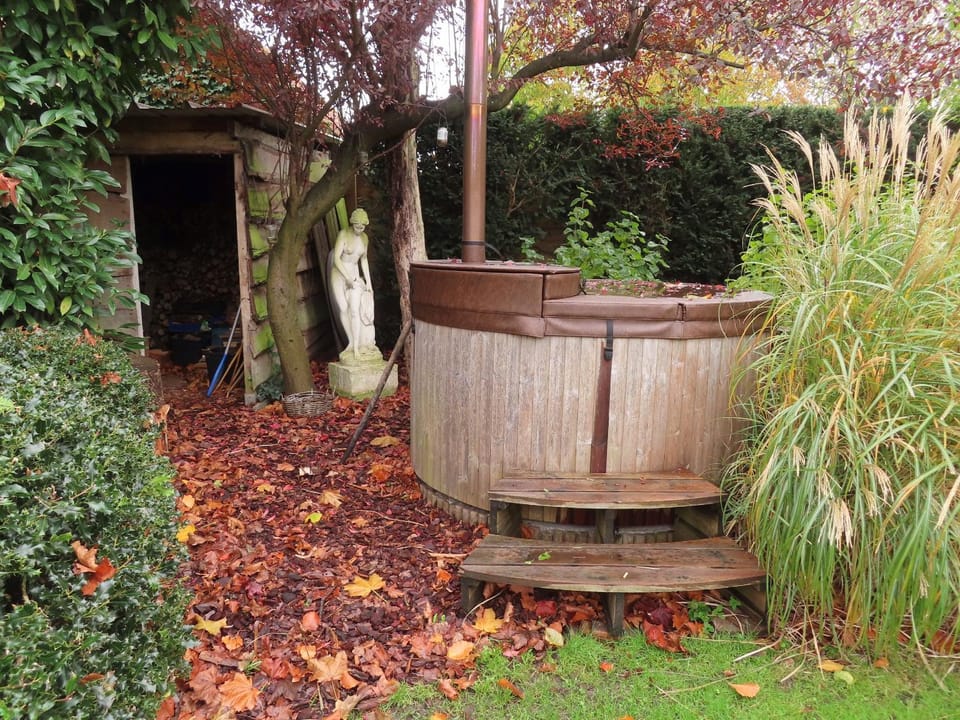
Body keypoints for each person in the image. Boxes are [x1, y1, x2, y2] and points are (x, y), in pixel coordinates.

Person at [329, 208, 380, 363]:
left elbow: (363, 260)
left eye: (362, 227)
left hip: (354, 274)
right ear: (352, 224)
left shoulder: (364, 238)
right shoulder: (343, 234)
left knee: (355, 310)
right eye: (357, 227)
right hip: (339, 274)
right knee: (344, 309)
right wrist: (347, 277)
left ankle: (358, 344)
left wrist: (369, 284)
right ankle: (351, 343)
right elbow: (336, 259)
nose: (360, 230)